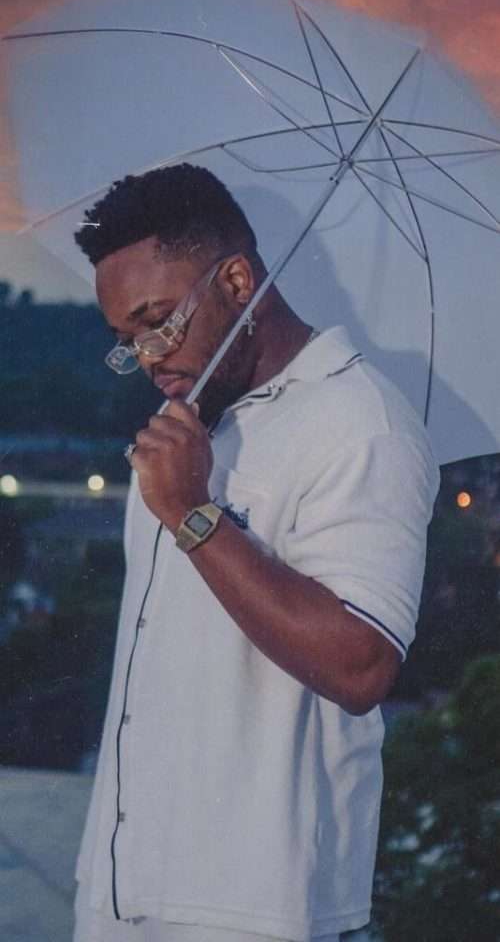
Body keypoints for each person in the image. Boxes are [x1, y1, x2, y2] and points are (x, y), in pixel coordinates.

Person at [73, 164, 440, 942]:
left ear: (237, 280)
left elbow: (362, 666)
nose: (149, 357)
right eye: (127, 342)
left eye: (158, 322)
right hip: (118, 889)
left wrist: (194, 514)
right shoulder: (192, 426)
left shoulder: (359, 420)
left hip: (253, 907)